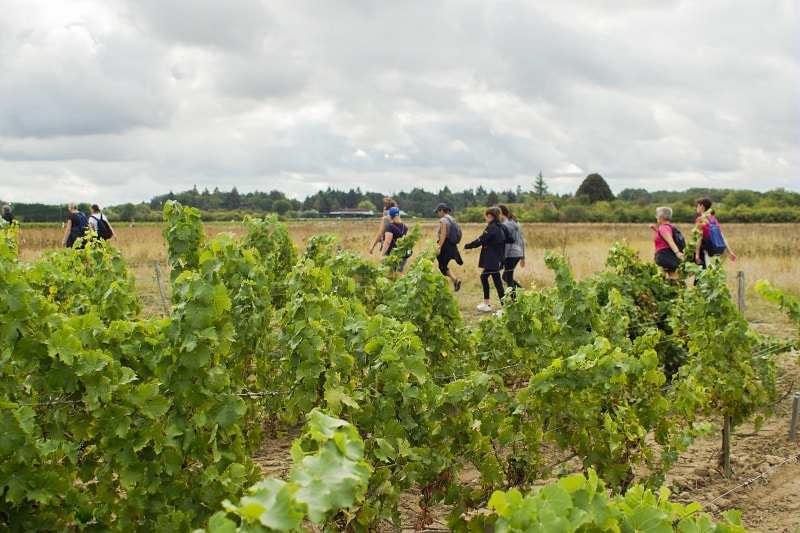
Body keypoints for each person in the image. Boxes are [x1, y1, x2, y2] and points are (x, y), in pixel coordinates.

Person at [463, 206, 506, 312]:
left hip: (492, 259)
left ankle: (504, 307)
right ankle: (487, 303)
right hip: (496, 258)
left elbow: (481, 239)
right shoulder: (499, 226)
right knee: (484, 277)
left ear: (489, 216)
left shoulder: (491, 228)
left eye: (486, 217)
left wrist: (469, 245)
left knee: (497, 283)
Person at [694, 197, 736, 268]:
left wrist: (697, 255)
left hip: (706, 251)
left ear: (702, 206)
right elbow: (722, 236)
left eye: (697, 206)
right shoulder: (714, 220)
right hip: (715, 251)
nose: (697, 208)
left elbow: (699, 238)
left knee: (706, 273)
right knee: (714, 271)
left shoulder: (700, 220)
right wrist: (730, 251)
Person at [497, 204, 525, 297]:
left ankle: (515, 301)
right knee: (506, 276)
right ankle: (522, 292)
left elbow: (507, 243)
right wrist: (523, 256)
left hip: (510, 254)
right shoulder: (516, 223)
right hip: (518, 252)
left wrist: (503, 258)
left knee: (508, 279)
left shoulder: (506, 225)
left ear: (501, 213)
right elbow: (522, 240)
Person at [649, 206, 684, 279]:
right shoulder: (669, 226)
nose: (656, 217)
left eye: (657, 215)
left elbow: (669, 240)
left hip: (664, 256)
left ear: (661, 217)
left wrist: (677, 253)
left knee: (671, 278)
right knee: (672, 278)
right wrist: (656, 229)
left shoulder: (663, 228)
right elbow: (663, 238)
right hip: (668, 255)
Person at [434, 202, 463, 291]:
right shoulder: (451, 219)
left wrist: (439, 247)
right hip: (452, 246)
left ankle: (450, 282)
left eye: (438, 211)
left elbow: (443, 234)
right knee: (443, 266)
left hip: (445, 245)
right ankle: (454, 280)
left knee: (442, 267)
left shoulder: (443, 220)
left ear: (441, 211)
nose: (437, 214)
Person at [379, 206, 410, 275]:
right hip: (401, 254)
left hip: (391, 254)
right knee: (399, 274)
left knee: (389, 275)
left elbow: (387, 242)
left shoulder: (390, 227)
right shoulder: (404, 226)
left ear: (390, 216)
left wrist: (382, 255)